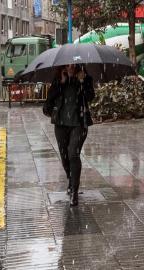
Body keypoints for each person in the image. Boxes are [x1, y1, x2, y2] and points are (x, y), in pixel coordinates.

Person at [43, 64, 95, 206]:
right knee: (64, 156)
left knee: (73, 154)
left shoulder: (85, 77)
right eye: (68, 64)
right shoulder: (58, 78)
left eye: (73, 64)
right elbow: (49, 101)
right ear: (64, 66)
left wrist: (83, 82)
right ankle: (70, 179)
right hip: (61, 124)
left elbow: (90, 97)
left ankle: (74, 191)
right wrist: (60, 83)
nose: (71, 67)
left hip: (79, 123)